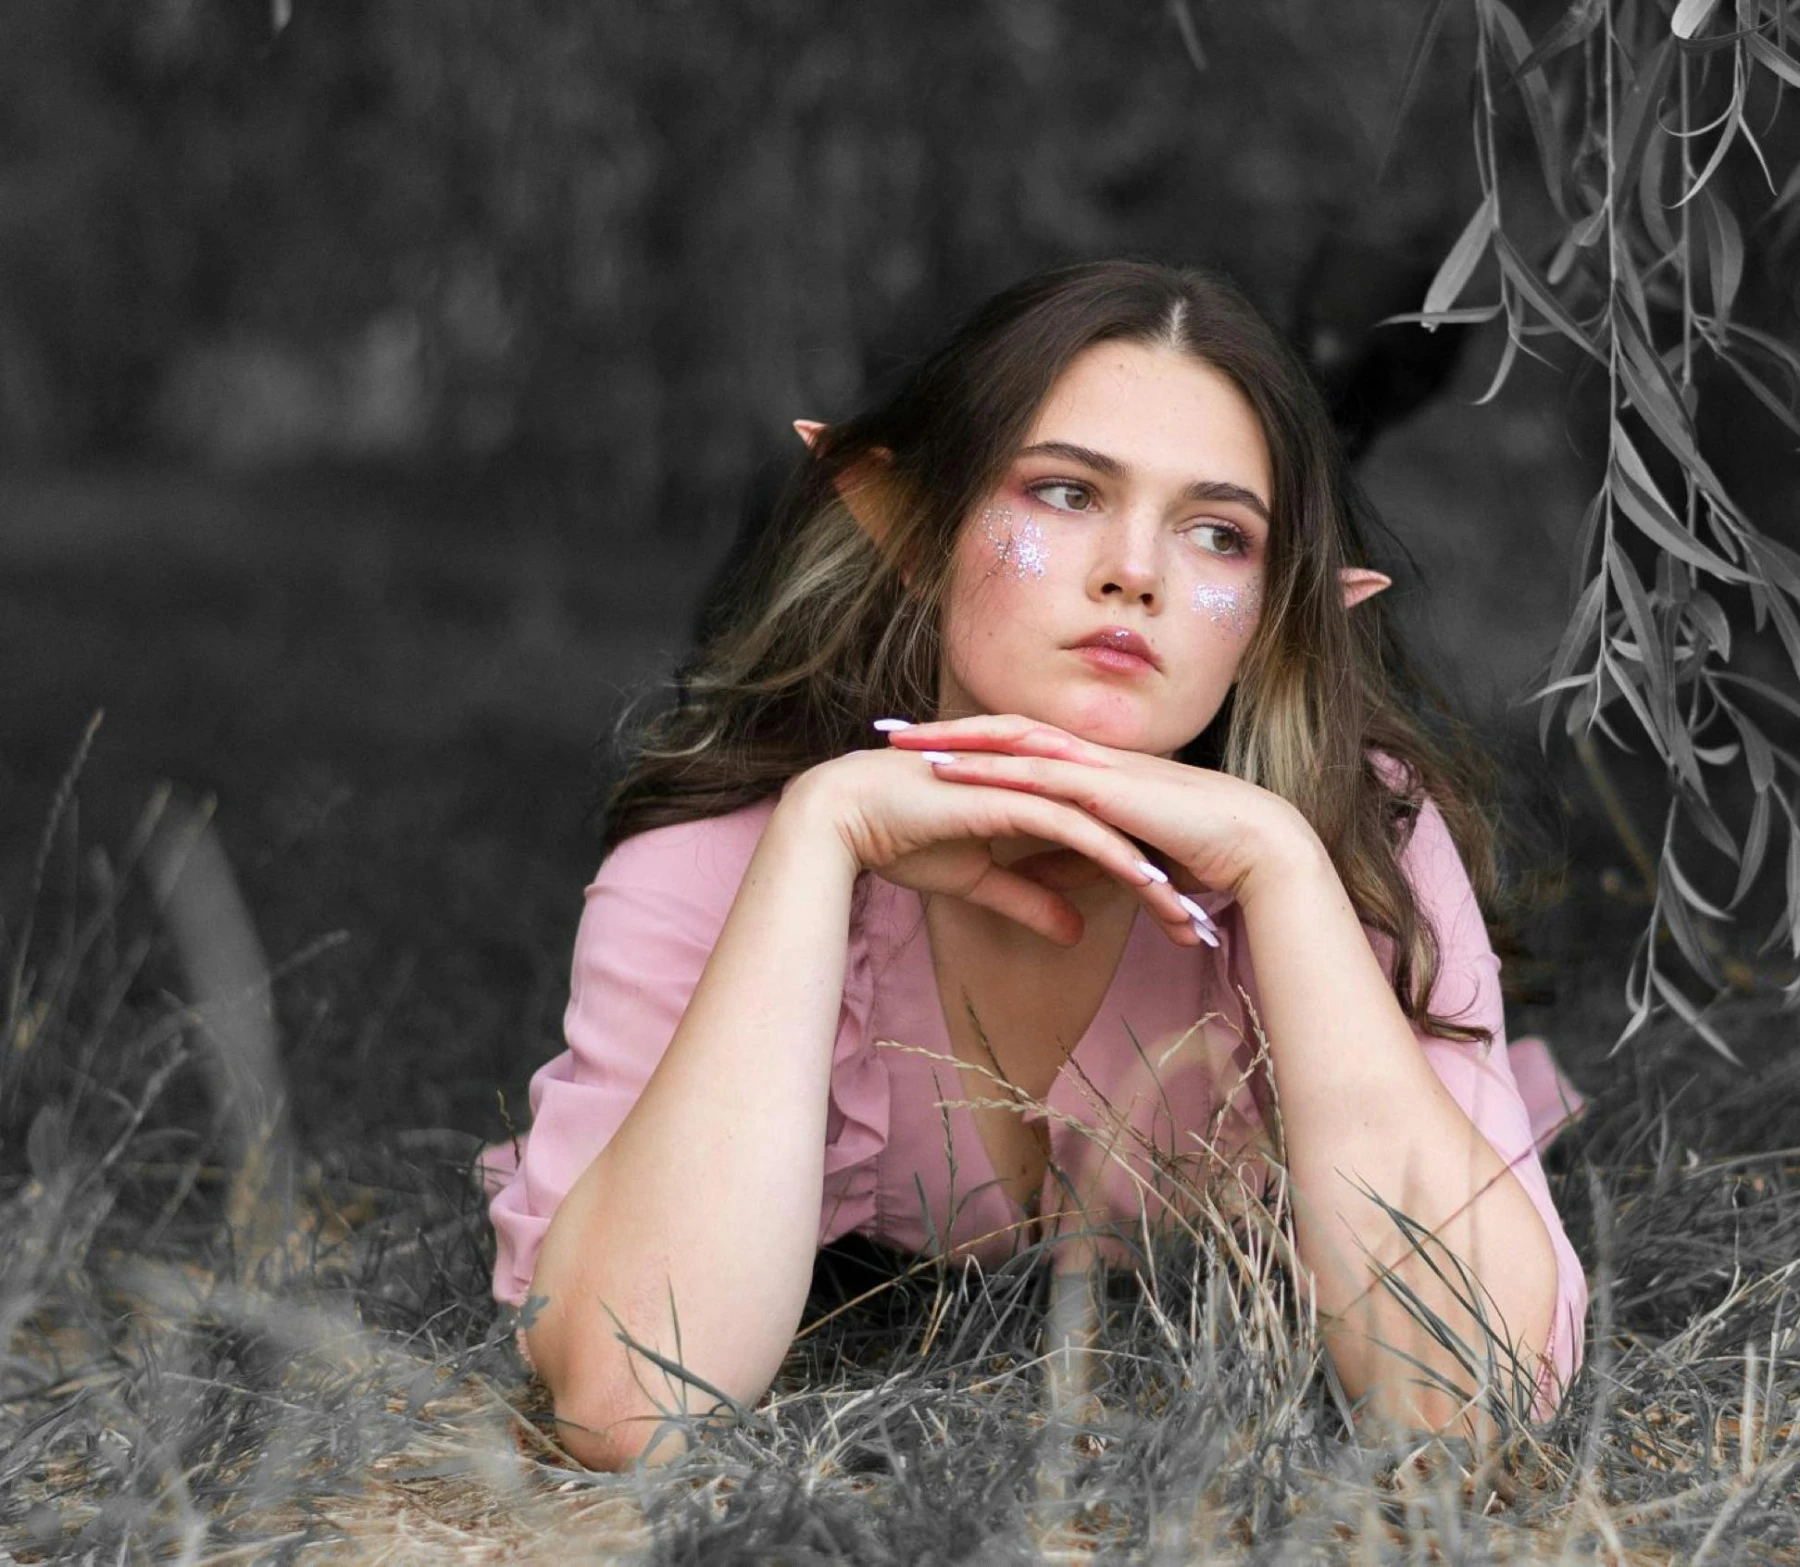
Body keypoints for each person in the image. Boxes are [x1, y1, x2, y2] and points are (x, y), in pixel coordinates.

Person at [479, 259, 1588, 1470]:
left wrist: (1278, 863)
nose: (1138, 571)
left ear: (1277, 616)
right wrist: (819, 841)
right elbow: (628, 1404)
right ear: (913, 531)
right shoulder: (718, 858)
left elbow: (1471, 1401)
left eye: (1220, 534)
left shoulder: (1353, 836)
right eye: (1064, 492)